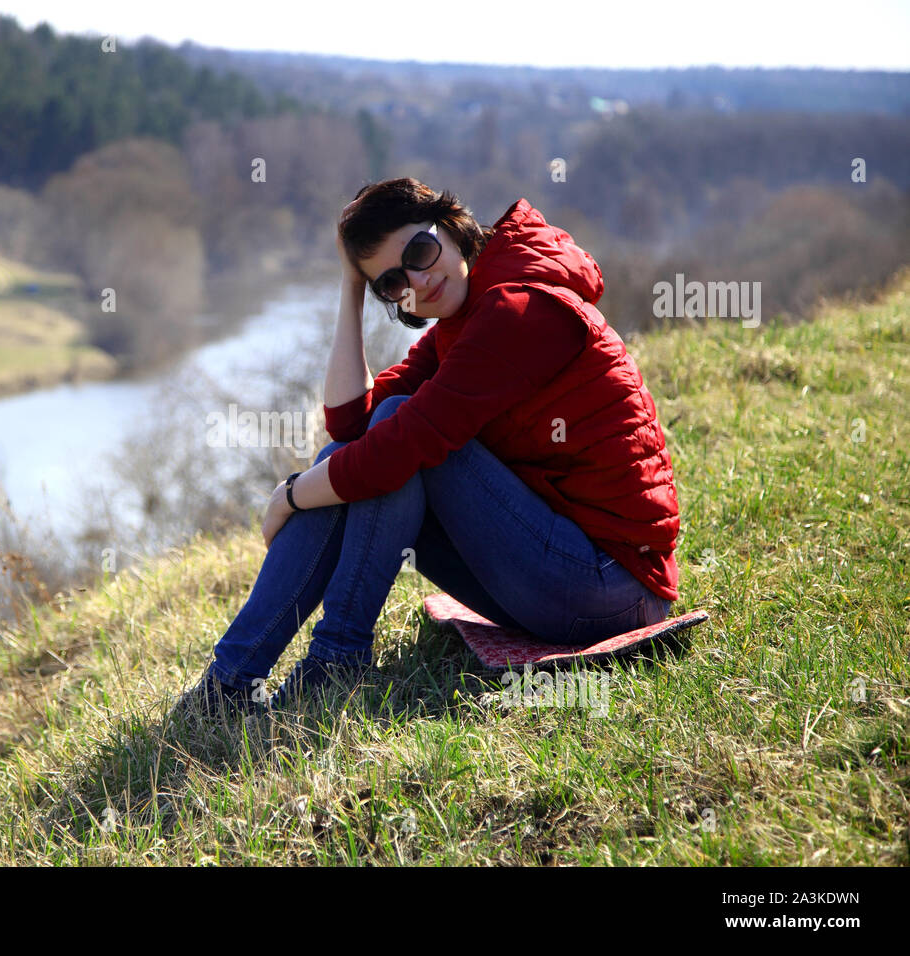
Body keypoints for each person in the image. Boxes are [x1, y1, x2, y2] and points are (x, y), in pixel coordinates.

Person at [171, 177, 680, 722]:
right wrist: (350, 287)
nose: (417, 280)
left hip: (612, 588)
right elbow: (348, 421)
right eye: (391, 282)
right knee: (376, 440)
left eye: (419, 250)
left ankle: (331, 659)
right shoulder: (461, 323)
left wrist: (290, 497)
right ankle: (233, 681)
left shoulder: (518, 310)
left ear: (453, 225)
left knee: (396, 437)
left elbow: (398, 442)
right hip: (552, 571)